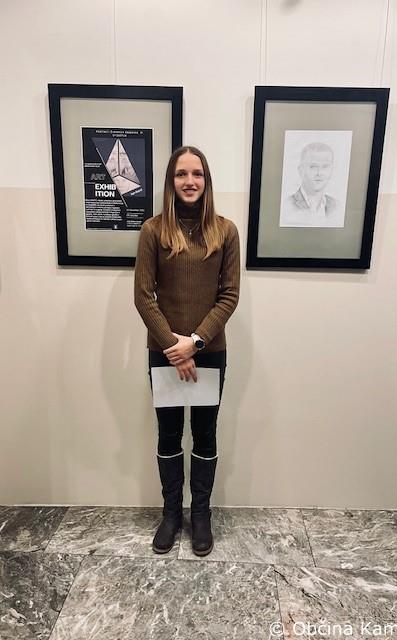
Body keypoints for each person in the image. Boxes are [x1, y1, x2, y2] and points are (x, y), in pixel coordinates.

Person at [134, 146, 240, 556]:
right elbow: (144, 296)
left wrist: (193, 343)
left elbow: (229, 296)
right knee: (169, 433)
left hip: (209, 352)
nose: (190, 181)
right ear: (171, 181)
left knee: (205, 433)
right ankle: (171, 514)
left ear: (206, 181)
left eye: (197, 174)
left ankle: (201, 515)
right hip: (163, 353)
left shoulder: (225, 231)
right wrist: (172, 346)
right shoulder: (153, 230)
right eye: (181, 174)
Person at [281, 142, 340, 227]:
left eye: (325, 166)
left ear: (332, 170)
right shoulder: (287, 206)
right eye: (313, 166)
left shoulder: (336, 206)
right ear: (301, 171)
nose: (319, 173)